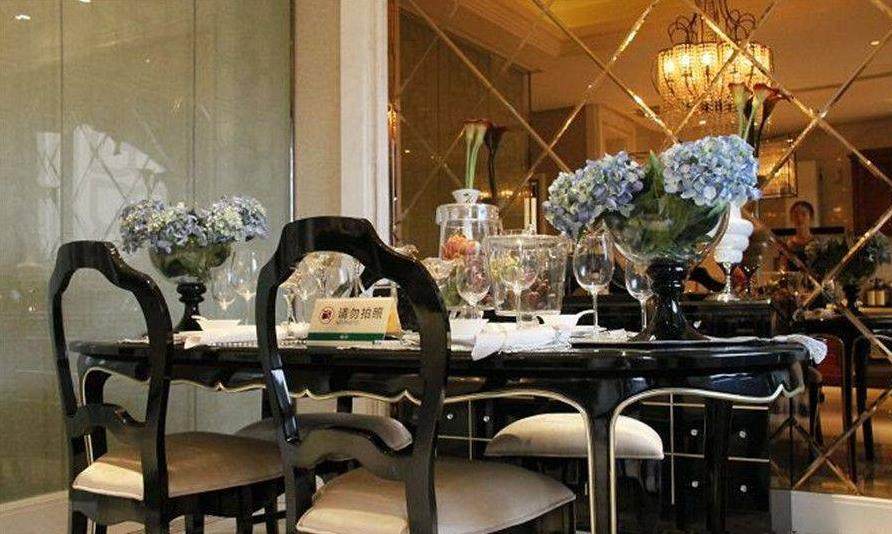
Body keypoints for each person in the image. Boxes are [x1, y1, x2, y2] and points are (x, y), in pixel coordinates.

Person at [782, 200, 816, 270]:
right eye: (796, 215)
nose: (799, 218)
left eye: (804, 214)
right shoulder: (787, 245)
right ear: (791, 218)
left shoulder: (818, 244)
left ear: (811, 217)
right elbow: (783, 268)